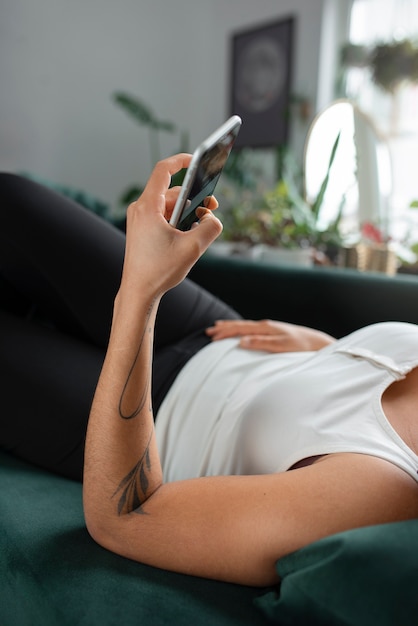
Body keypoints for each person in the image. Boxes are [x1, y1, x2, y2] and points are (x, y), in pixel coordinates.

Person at [0, 154, 417, 588]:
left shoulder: (381, 494)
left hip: (155, 416)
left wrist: (140, 293)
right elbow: (348, 411)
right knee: (10, 201)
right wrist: (330, 349)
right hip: (214, 333)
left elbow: (122, 518)